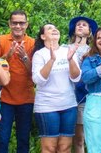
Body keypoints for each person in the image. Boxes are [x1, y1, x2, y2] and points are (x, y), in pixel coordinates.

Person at [32, 23, 82, 153]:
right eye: (49, 28)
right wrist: (51, 60)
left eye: (55, 28)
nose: (54, 29)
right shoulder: (39, 54)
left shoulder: (68, 51)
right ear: (43, 36)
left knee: (65, 148)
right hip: (47, 106)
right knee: (49, 148)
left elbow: (76, 78)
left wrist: (70, 60)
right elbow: (38, 80)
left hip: (69, 105)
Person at [0, 10, 35, 153]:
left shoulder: (32, 43)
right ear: (9, 24)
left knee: (23, 139)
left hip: (26, 98)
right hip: (4, 98)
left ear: (27, 25)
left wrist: (24, 57)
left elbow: (35, 74)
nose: (18, 26)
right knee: (2, 139)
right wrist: (7, 55)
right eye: (15, 23)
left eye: (21, 23)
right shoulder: (0, 40)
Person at [68, 16, 98, 153]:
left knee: (80, 139)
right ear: (73, 30)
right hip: (65, 96)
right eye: (78, 24)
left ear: (90, 31)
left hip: (84, 97)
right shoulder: (64, 48)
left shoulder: (93, 52)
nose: (80, 26)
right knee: (65, 139)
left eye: (84, 25)